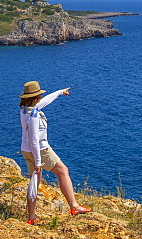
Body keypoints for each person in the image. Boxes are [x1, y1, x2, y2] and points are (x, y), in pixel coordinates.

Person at [19, 80, 91, 223]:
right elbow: (34, 139)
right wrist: (39, 161)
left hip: (26, 150)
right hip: (40, 150)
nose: (40, 98)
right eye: (39, 95)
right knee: (63, 171)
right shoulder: (33, 115)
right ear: (34, 98)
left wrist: (59, 92)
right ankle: (74, 206)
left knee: (34, 182)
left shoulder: (25, 110)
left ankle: (31, 217)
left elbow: (45, 102)